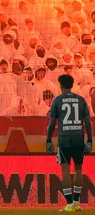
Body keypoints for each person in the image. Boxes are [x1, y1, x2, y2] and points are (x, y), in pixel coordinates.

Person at [47, 74, 92, 212]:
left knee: (65, 171)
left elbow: (52, 123)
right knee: (79, 169)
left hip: (64, 139)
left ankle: (70, 204)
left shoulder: (57, 100)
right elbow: (88, 123)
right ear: (72, 85)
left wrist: (48, 140)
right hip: (79, 138)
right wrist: (90, 140)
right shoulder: (81, 100)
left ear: (60, 86)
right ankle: (77, 203)